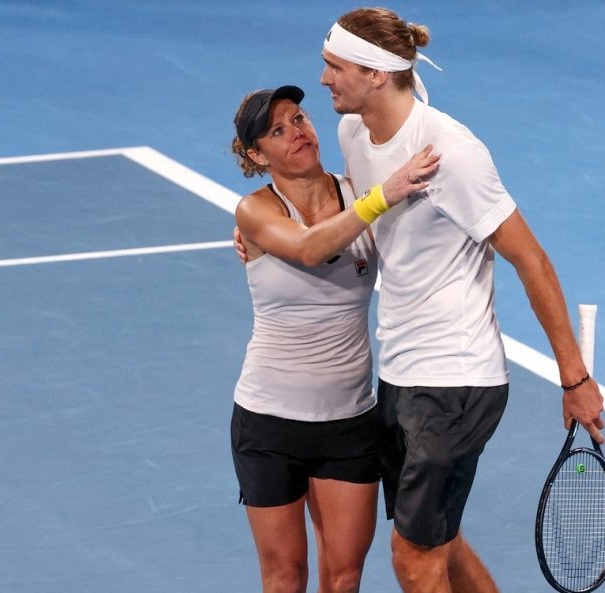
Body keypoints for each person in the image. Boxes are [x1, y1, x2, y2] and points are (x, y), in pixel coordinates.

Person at [317, 8, 605, 593]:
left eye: (335, 66)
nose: (325, 79)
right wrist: (277, 221)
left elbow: (532, 260)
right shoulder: (353, 132)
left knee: (413, 558)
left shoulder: (453, 152)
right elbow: (364, 215)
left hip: (456, 379)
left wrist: (574, 380)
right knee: (438, 541)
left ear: (375, 75)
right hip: (401, 370)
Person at [228, 84, 439, 593]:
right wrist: (382, 196)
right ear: (257, 155)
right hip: (269, 424)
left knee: (344, 578)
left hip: (349, 423)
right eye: (277, 131)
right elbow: (307, 248)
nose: (296, 133)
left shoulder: (356, 194)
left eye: (298, 119)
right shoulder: (255, 212)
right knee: (285, 577)